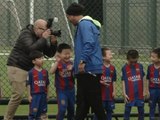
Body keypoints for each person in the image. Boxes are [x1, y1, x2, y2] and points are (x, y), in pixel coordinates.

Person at [4, 19, 57, 120]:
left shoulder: (41, 37)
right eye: (44, 30)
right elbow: (31, 49)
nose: (46, 32)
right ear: (36, 28)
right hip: (17, 66)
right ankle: (7, 118)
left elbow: (50, 54)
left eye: (47, 30)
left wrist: (53, 43)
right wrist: (44, 38)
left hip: (30, 70)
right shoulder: (26, 33)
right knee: (18, 95)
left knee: (37, 95)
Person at [66, 2, 106, 120]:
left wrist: (82, 61)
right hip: (87, 69)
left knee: (94, 102)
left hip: (89, 69)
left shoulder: (84, 25)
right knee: (83, 102)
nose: (69, 20)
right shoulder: (85, 25)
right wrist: (75, 66)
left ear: (72, 15)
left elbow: (89, 43)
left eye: (68, 17)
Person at [50, 43, 75, 120]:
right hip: (61, 90)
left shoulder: (72, 64)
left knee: (71, 110)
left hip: (71, 90)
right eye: (65, 54)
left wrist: (73, 69)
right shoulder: (58, 63)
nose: (67, 56)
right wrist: (57, 62)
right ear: (59, 54)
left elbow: (75, 77)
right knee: (62, 109)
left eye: (69, 53)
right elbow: (51, 71)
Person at [93, 48, 117, 120]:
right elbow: (93, 80)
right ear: (103, 57)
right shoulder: (98, 67)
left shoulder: (112, 68)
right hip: (100, 95)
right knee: (98, 112)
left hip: (109, 95)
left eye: (111, 54)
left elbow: (114, 80)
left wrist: (114, 91)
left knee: (109, 112)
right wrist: (101, 82)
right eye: (109, 54)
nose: (111, 56)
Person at [122, 49, 145, 120]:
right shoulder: (124, 68)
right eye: (131, 62)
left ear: (138, 58)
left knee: (141, 111)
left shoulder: (140, 66)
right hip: (129, 94)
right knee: (127, 111)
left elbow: (143, 78)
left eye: (135, 61)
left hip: (139, 94)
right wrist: (124, 93)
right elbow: (123, 81)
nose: (133, 63)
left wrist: (145, 90)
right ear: (127, 59)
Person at [27, 51, 49, 120]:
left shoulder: (45, 72)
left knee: (43, 113)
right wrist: (29, 95)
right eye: (39, 58)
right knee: (33, 113)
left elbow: (47, 84)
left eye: (42, 58)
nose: (42, 60)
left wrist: (47, 94)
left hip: (43, 95)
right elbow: (28, 84)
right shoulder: (31, 72)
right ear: (33, 61)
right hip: (35, 96)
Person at [146, 48, 160, 120]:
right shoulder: (150, 67)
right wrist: (147, 90)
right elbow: (148, 79)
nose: (151, 58)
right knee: (152, 107)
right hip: (152, 90)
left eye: (153, 57)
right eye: (151, 56)